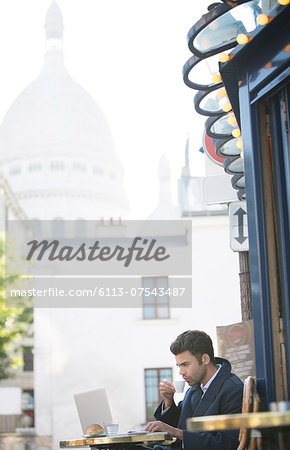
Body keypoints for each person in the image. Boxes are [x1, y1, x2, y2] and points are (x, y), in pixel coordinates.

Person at [145, 330, 243, 450]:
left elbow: (228, 444)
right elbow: (178, 423)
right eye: (179, 366)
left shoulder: (233, 390)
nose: (181, 372)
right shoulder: (195, 387)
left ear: (205, 359)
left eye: (185, 364)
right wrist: (168, 401)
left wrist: (178, 433)